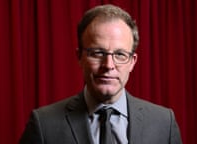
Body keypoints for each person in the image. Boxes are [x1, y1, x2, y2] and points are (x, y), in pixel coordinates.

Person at [19, 4, 182, 144]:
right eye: (97, 53)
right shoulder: (44, 124)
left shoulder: (163, 123)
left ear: (132, 62)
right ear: (80, 57)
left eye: (120, 54)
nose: (108, 65)